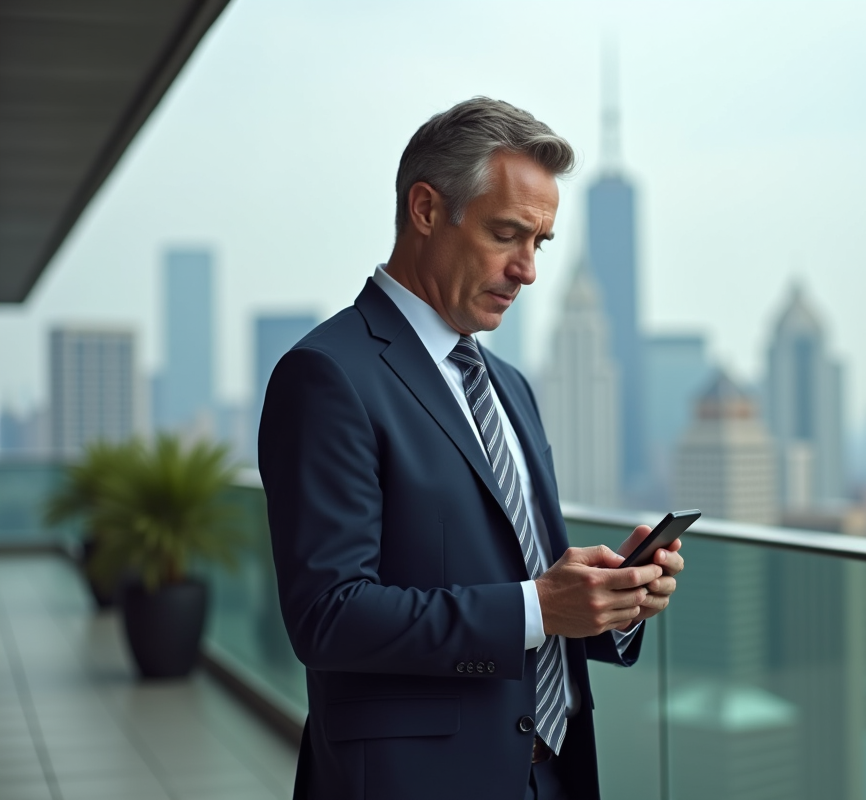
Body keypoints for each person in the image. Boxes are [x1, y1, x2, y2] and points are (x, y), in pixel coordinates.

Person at [258, 97, 684, 800]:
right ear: (426, 210)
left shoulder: (510, 386)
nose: (528, 270)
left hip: (554, 771)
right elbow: (328, 615)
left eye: (539, 243)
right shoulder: (329, 374)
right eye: (506, 234)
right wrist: (540, 608)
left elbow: (524, 579)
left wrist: (608, 600)